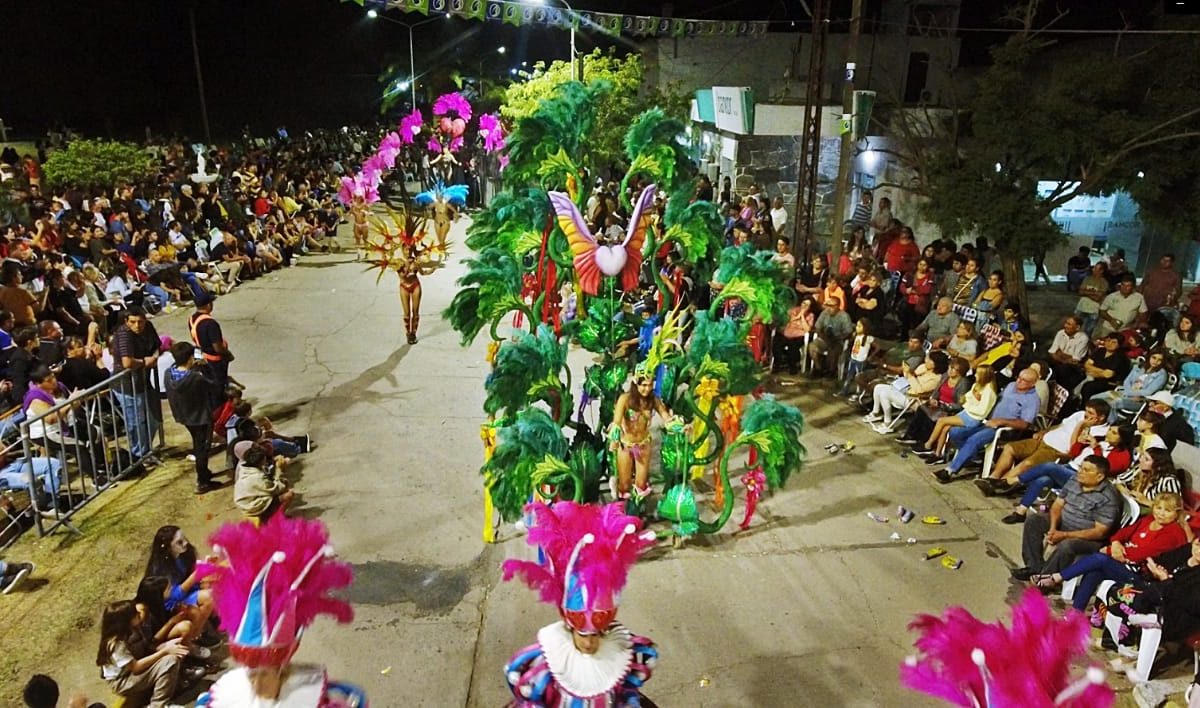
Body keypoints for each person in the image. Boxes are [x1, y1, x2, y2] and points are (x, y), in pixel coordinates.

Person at [195, 516, 364, 707]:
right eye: (251, 674)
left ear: (282, 670)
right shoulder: (227, 697)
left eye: (264, 674)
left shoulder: (317, 700)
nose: (256, 684)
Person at [502, 501, 658, 708]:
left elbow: (625, 692)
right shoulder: (551, 660)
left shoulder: (620, 655)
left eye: (595, 635)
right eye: (583, 635)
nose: (589, 643)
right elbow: (532, 696)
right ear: (570, 628)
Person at [1032, 493, 1188, 612]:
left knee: (1100, 559)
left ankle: (1056, 577)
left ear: (1176, 513)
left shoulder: (1174, 533)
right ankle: (1076, 613)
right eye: (1158, 508)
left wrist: (1110, 550)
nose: (1161, 513)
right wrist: (1115, 544)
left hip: (1142, 575)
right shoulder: (1148, 520)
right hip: (1123, 562)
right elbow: (1122, 533)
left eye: (1167, 511)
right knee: (1095, 569)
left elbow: (1143, 553)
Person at [1010, 455, 1122, 582]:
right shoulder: (1075, 480)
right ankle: (1034, 566)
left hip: (1088, 538)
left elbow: (1099, 532)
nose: (1080, 472)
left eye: (1086, 470)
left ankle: (1045, 579)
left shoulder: (1108, 498)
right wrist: (1053, 528)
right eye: (1081, 468)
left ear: (1100, 477)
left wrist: (1064, 535)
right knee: (1034, 520)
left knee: (1067, 545)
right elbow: (1057, 505)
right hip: (1064, 524)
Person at [993, 424, 1135, 519]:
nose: (1109, 433)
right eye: (1110, 429)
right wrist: (1080, 442)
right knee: (1043, 479)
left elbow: (1101, 469)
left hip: (1084, 479)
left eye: (1114, 433)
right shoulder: (1102, 441)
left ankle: (1013, 481)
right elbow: (1073, 454)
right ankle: (1021, 511)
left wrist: (1096, 448)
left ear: (1122, 439)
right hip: (1070, 467)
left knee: (1049, 466)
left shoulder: (1122, 456)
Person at [973, 400, 1110, 491]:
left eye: (1091, 413)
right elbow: (1061, 425)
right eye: (1086, 411)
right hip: (1044, 439)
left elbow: (1074, 448)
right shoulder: (1079, 414)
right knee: (1010, 448)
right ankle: (993, 478)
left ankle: (1000, 485)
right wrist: (1044, 431)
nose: (1086, 415)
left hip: (1056, 451)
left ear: (1102, 417)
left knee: (1027, 464)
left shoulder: (1099, 432)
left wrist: (1081, 426)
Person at [933, 368, 1041, 483]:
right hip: (986, 421)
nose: (1018, 381)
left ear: (1033, 383)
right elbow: (996, 399)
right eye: (1018, 377)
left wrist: (1002, 421)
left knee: (974, 439)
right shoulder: (1011, 386)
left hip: (1004, 430)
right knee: (955, 432)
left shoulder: (1032, 400)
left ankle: (950, 470)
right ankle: (972, 458)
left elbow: (1025, 424)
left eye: (1024, 380)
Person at [96, 600, 190, 708]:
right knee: (170, 661)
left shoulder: (131, 631)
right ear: (126, 620)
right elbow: (136, 667)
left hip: (131, 672)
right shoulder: (116, 645)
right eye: (135, 613)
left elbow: (147, 647)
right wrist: (165, 651)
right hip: (122, 681)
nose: (139, 614)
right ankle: (158, 704)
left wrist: (165, 646)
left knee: (172, 653)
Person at [164, 341, 223, 494]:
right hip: (201, 417)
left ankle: (204, 472)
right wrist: (205, 367)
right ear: (190, 358)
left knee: (198, 444)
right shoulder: (196, 378)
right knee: (202, 447)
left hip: (184, 416)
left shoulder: (168, 374)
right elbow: (216, 386)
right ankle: (202, 481)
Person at [609, 371, 675, 504]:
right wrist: (614, 437)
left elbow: (666, 416)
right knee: (624, 484)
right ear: (635, 383)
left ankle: (637, 510)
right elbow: (616, 421)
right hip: (626, 445)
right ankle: (624, 513)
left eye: (650, 385)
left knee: (640, 483)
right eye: (644, 385)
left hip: (644, 445)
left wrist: (677, 425)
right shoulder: (625, 399)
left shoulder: (653, 400)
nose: (647, 389)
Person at [911, 364, 996, 463]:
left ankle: (928, 445)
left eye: (977, 374)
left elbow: (982, 411)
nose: (975, 376)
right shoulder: (977, 386)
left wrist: (971, 403)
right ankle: (938, 454)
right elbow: (966, 398)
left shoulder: (989, 392)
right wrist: (971, 399)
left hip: (973, 418)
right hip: (966, 413)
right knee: (945, 428)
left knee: (942, 421)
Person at [110, 307, 162, 464]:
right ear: (126, 322)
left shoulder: (149, 327)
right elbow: (127, 363)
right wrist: (146, 362)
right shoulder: (124, 334)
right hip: (126, 385)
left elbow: (158, 345)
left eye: (140, 322)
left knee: (153, 419)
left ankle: (145, 451)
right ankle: (139, 455)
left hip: (145, 381)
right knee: (136, 422)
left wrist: (154, 357)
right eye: (133, 322)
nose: (137, 325)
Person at [863, 350, 948, 433]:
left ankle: (887, 423)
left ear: (935, 364)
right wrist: (907, 371)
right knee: (878, 387)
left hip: (914, 399)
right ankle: (876, 412)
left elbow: (919, 390)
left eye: (929, 360)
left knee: (885, 393)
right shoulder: (924, 367)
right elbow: (910, 375)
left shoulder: (936, 379)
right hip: (905, 389)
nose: (926, 360)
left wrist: (910, 375)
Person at [1093, 348, 1168, 422]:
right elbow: (1127, 381)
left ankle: (1110, 423)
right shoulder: (1139, 366)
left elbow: (1148, 392)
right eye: (1154, 358)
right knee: (1095, 398)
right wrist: (1127, 392)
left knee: (1112, 403)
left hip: (1140, 400)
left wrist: (1129, 394)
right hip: (1125, 393)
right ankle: (1094, 419)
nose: (1155, 361)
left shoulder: (1161, 375)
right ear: (1149, 356)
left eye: (1159, 360)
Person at [186, 292, 232, 404]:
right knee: (219, 386)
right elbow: (218, 348)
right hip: (214, 360)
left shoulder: (192, 319)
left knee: (208, 383)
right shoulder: (210, 323)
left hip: (200, 355)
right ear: (208, 305)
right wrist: (227, 354)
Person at [232, 443, 293, 523]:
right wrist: (279, 469)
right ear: (261, 461)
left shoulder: (244, 468)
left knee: (283, 483)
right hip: (253, 506)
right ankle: (276, 519)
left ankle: (273, 515)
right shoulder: (257, 477)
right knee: (289, 494)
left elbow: (267, 477)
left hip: (247, 502)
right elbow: (277, 488)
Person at [807, 297, 853, 378]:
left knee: (834, 350)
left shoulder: (844, 316)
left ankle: (831, 371)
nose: (828, 308)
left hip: (838, 340)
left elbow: (848, 332)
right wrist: (823, 337)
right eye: (827, 305)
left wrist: (837, 338)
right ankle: (818, 368)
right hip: (824, 338)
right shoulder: (824, 313)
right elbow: (817, 328)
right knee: (812, 346)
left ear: (837, 306)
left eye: (831, 306)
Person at [1047, 315, 1090, 393]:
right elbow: (1052, 352)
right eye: (1066, 323)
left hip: (1073, 367)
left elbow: (1075, 360)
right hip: (1058, 361)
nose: (1065, 326)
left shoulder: (1083, 338)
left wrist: (1060, 353)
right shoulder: (1060, 333)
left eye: (1069, 324)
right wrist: (1063, 358)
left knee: (1064, 369)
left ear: (1077, 327)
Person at [771, 298, 814, 375]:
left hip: (798, 336)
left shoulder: (810, 315)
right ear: (801, 303)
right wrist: (797, 317)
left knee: (793, 346)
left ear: (810, 307)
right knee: (777, 344)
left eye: (807, 305)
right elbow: (786, 321)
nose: (805, 306)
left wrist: (802, 316)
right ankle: (777, 365)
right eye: (804, 303)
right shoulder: (793, 310)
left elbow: (807, 329)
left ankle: (792, 366)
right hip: (786, 333)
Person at [838, 319, 875, 396]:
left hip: (860, 361)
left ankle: (859, 393)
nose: (857, 328)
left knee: (859, 377)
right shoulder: (857, 335)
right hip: (853, 358)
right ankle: (844, 390)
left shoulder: (868, 338)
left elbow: (877, 347)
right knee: (849, 375)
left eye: (859, 326)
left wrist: (871, 356)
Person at [1074, 262, 1109, 334]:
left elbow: (1098, 298)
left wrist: (1086, 292)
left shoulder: (1104, 283)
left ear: (1101, 271)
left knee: (1088, 332)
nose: (1093, 270)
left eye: (1096, 268)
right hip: (1081, 307)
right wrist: (1094, 293)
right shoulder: (1087, 279)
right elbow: (1080, 292)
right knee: (1074, 328)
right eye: (1094, 268)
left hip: (1093, 310)